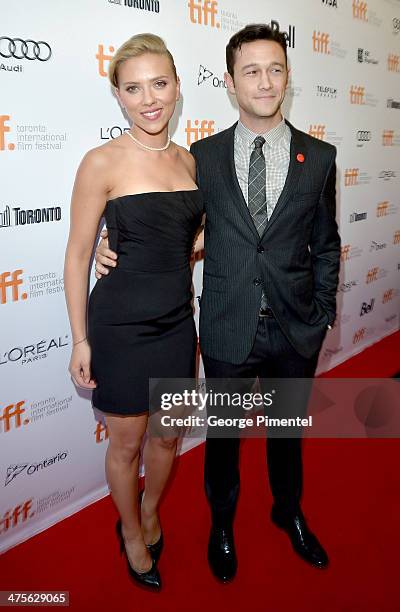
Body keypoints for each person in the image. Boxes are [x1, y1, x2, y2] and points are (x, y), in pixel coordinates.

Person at [95, 24, 341, 582]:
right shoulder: (198, 157)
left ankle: (288, 512)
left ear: (288, 76)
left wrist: (322, 312)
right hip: (228, 327)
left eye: (274, 69)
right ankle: (222, 525)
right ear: (229, 83)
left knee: (286, 433)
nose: (264, 81)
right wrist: (114, 246)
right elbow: (169, 217)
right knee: (224, 439)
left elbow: (326, 244)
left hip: (296, 329)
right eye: (250, 71)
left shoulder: (320, 156)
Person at [64, 33, 204, 590]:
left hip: (175, 321)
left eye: (160, 84)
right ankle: (129, 530)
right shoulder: (101, 162)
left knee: (167, 436)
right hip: (119, 326)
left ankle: (150, 510)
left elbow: (192, 238)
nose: (149, 99)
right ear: (117, 96)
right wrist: (80, 339)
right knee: (126, 443)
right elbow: (77, 255)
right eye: (134, 88)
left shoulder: (190, 161)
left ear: (176, 89)